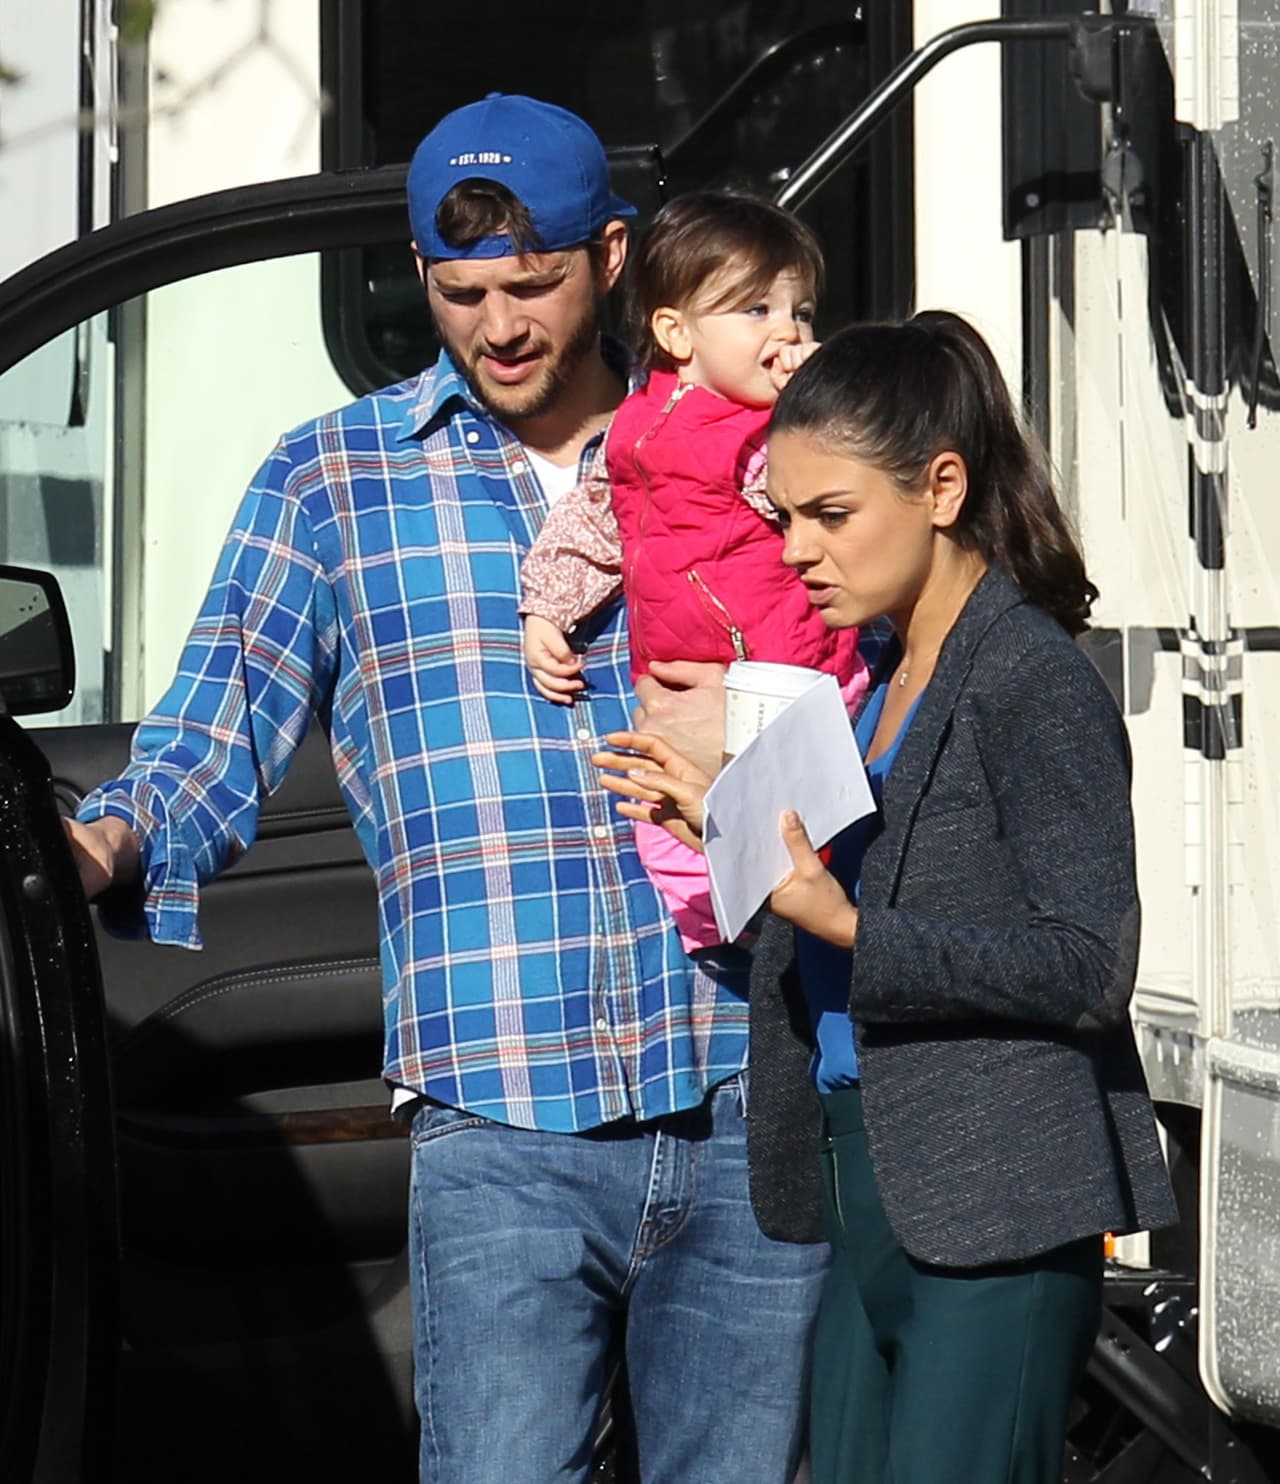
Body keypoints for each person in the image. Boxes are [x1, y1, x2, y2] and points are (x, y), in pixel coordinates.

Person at [62, 94, 826, 1484]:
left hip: (743, 1083)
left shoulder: (753, 449)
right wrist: (102, 840)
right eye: (461, 294)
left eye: (531, 285)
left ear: (610, 259)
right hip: (499, 1109)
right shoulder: (332, 481)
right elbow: (211, 729)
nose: (500, 327)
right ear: (419, 274)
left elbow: (885, 660)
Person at [593, 311, 1178, 1484]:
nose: (797, 550)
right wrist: (731, 834)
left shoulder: (1029, 678)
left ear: (940, 488)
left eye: (830, 513)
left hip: (995, 1201)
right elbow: (853, 907)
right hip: (866, 1184)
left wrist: (842, 921)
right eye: (782, 517)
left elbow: (1083, 963)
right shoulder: (877, 677)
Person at [519, 191, 868, 952]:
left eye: (802, 312)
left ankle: (790, 926)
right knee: (669, 821)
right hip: (680, 686)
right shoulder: (635, 426)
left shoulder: (774, 434)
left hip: (792, 674)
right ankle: (722, 927)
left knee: (791, 831)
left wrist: (816, 402)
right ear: (676, 332)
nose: (787, 330)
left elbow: (833, 496)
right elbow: (595, 517)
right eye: (756, 310)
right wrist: (547, 607)